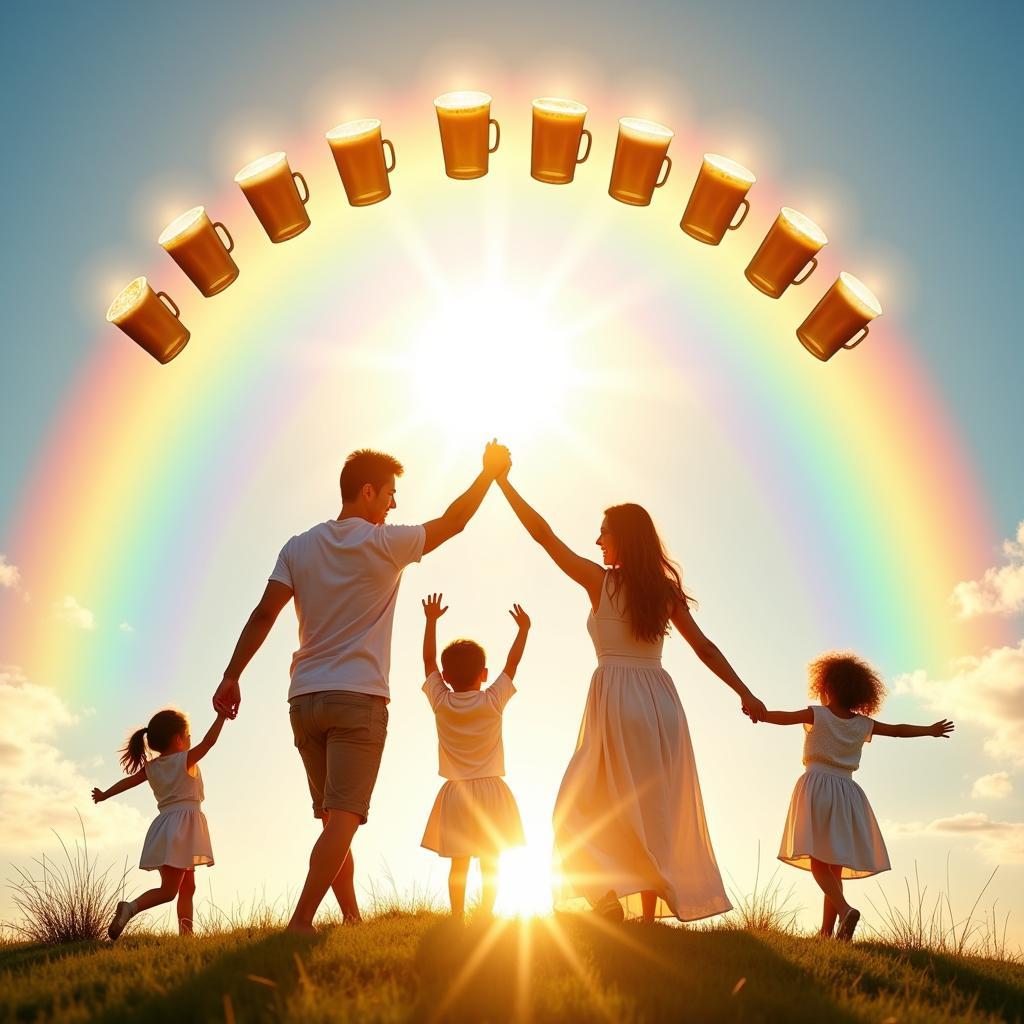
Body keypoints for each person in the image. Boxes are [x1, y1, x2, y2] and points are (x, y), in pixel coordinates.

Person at [212, 441, 511, 933]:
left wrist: (232, 674)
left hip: (304, 700)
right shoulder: (384, 543)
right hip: (357, 700)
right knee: (345, 819)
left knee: (334, 822)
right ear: (367, 492)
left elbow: (265, 613)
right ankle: (301, 922)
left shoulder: (297, 546)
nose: (393, 505)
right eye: (390, 494)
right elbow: (454, 521)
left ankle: (351, 918)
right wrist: (486, 474)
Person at [496, 470, 767, 923]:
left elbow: (544, 536)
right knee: (650, 809)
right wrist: (745, 693)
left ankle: (605, 901)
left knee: (575, 808)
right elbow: (704, 647)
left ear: (621, 538)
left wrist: (504, 483)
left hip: (618, 699)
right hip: (660, 702)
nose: (597, 540)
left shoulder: (600, 582)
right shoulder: (663, 592)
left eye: (603, 533)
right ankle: (643, 917)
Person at [755, 651, 954, 941]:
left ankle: (845, 910)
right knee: (833, 865)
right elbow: (897, 731)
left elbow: (782, 718)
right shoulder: (862, 724)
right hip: (848, 792)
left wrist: (760, 714)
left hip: (816, 786)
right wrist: (930, 730)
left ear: (828, 687)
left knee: (818, 863)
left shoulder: (817, 714)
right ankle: (827, 932)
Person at [419, 593, 528, 918]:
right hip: (491, 790)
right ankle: (485, 914)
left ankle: (457, 918)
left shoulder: (441, 702)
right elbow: (512, 665)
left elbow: (427, 663)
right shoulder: (492, 700)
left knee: (459, 862)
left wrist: (430, 621)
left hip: (457, 792)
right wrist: (523, 630)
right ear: (483, 673)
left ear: (445, 676)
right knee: (490, 860)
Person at [92, 707, 226, 938]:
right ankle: (130, 907)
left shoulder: (152, 768)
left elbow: (128, 782)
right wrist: (221, 717)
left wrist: (105, 795)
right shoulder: (184, 759)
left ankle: (187, 935)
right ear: (178, 739)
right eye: (188, 736)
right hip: (183, 828)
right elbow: (209, 742)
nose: (191, 741)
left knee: (187, 887)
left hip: (165, 827)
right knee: (168, 891)